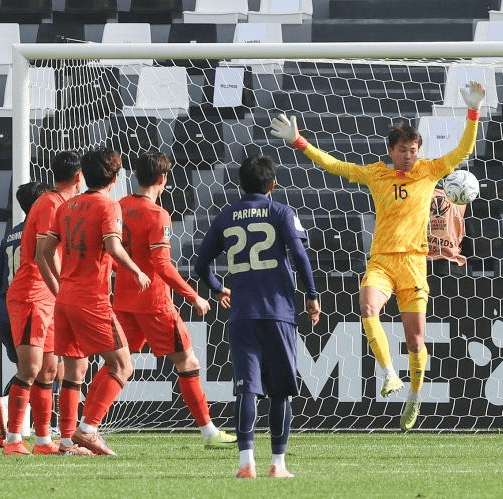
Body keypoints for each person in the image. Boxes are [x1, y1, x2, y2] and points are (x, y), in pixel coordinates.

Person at [270, 81, 485, 432]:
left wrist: (473, 112)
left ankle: (414, 395)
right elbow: (336, 166)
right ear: (391, 150)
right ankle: (389, 373)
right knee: (368, 307)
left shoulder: (430, 171)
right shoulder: (377, 174)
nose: (409, 155)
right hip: (382, 261)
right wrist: (300, 142)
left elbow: (463, 150)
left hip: (414, 264)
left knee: (415, 341)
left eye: (413, 150)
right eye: (403, 150)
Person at [195, 154, 321, 479]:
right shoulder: (282, 212)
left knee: (246, 388)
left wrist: (218, 288)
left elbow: (200, 264)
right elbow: (300, 255)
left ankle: (245, 464)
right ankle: (277, 464)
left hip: (243, 315)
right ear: (273, 184)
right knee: (280, 391)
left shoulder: (226, 216)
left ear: (240, 183)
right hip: (279, 313)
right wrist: (312, 295)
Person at [113, 151, 236, 449]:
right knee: (187, 361)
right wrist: (194, 296)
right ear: (163, 178)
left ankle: (83, 426)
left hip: (123, 300)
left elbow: (111, 252)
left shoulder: (119, 207)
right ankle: (208, 432)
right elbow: (162, 265)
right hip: (154, 304)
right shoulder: (158, 215)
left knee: (116, 365)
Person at [40, 147, 151, 456]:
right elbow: (114, 247)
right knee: (122, 364)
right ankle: (88, 429)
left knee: (74, 371)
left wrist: (62, 282)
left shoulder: (66, 206)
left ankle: (66, 443)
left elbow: (45, 251)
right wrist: (137, 270)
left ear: (84, 176)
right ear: (114, 178)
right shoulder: (109, 205)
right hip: (91, 300)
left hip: (65, 299)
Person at [3, 152, 84, 456]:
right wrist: (62, 291)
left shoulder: (59, 204)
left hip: (48, 297)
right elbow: (41, 255)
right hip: (31, 295)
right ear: (78, 176)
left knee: (49, 371)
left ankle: (42, 441)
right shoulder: (50, 204)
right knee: (30, 368)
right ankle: (13, 439)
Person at [0, 181, 51, 449]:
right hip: (29, 307)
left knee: (34, 371)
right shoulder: (42, 234)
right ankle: (8, 414)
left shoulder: (11, 234)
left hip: (7, 309)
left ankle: (27, 431)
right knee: (37, 371)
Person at [427, 184, 467, 277]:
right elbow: (469, 235)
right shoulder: (460, 198)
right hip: (451, 266)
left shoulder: (418, 195)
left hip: (421, 264)